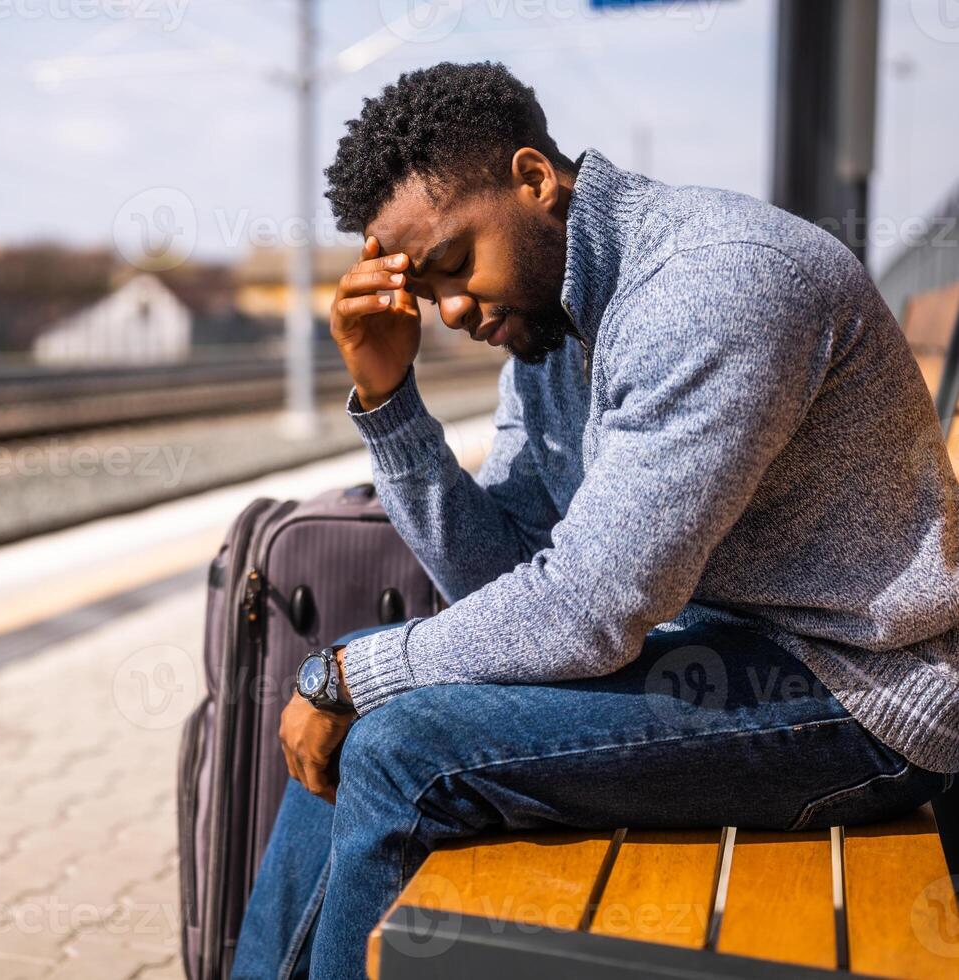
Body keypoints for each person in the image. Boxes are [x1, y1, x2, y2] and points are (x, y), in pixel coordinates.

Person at [231, 61, 959, 980]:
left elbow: (590, 610)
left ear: (534, 180)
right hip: (717, 660)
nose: (451, 309)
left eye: (455, 263)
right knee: (370, 685)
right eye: (425, 289)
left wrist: (346, 675)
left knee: (395, 738)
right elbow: (501, 595)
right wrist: (390, 405)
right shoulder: (550, 328)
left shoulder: (715, 285)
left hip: (863, 697)